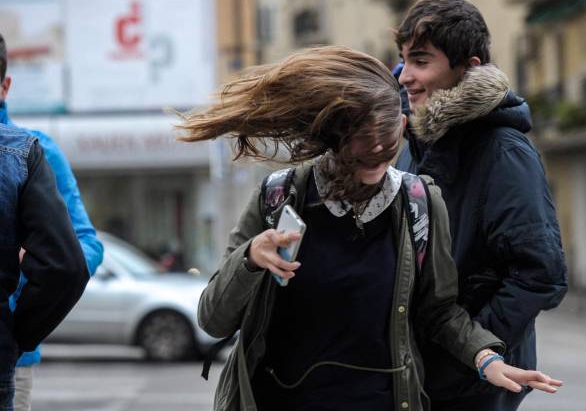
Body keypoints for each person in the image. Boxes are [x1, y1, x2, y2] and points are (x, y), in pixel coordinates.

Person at [178, 46, 562, 411]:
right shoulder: (279, 197)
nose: (378, 159)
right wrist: (250, 259)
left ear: (403, 125)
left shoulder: (419, 202)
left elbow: (439, 312)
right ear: (334, 137)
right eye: (363, 149)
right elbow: (213, 318)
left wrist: (485, 358)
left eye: (388, 144)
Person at [393, 0, 569, 411]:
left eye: (421, 61)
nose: (404, 76)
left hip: (471, 387)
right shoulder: (415, 145)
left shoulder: (503, 151)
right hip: (417, 377)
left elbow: (542, 274)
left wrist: (472, 351)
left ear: (468, 68)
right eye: (402, 60)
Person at [0, 32, 104, 411]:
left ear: (5, 86)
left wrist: (18, 328)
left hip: (10, 359)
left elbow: (83, 246)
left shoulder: (32, 150)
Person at [0, 122, 90, 410]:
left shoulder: (33, 148)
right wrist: (17, 336)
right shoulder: (20, 152)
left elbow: (83, 244)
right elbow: (65, 267)